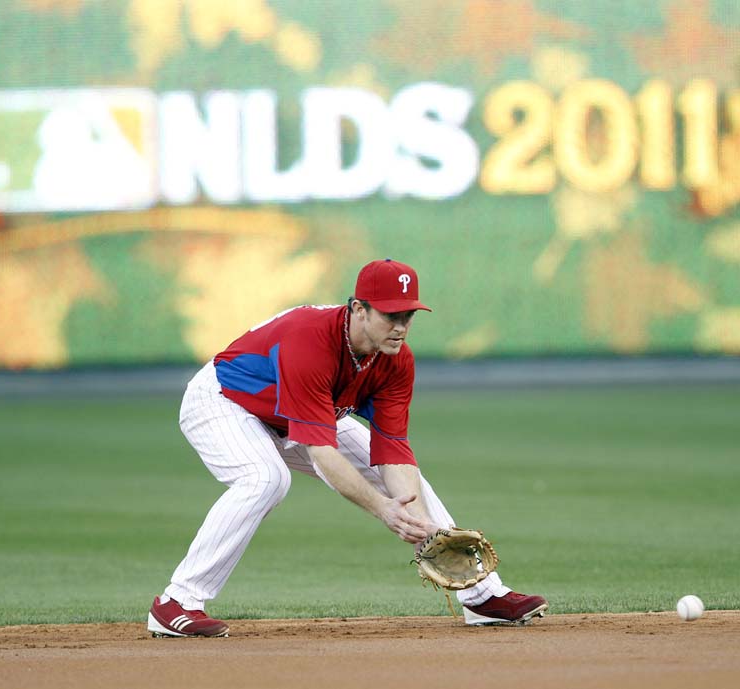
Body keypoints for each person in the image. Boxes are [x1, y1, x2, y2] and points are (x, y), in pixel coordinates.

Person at [147, 258, 548, 637]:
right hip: (225, 401)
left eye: (407, 315)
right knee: (265, 479)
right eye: (391, 315)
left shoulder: (395, 359)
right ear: (358, 309)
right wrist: (383, 510)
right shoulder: (309, 341)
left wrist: (423, 525)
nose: (401, 326)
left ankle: (481, 596)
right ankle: (176, 602)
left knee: (410, 486)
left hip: (297, 414)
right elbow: (322, 455)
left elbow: (392, 451)